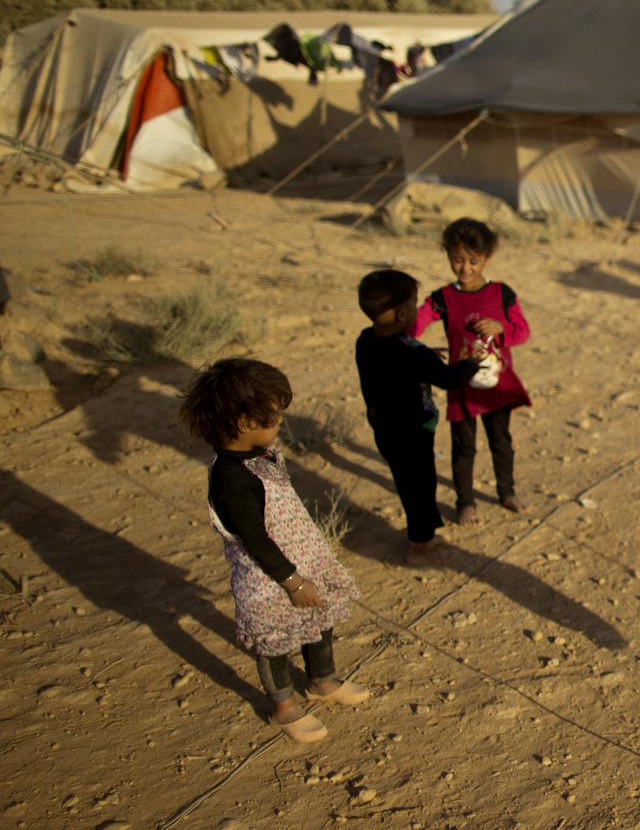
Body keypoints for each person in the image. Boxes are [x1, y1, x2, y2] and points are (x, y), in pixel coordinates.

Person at [178, 358, 367, 743]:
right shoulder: (232, 480)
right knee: (273, 640)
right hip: (270, 577)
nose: (280, 420)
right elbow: (256, 539)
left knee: (318, 622)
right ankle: (284, 708)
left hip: (300, 563)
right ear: (246, 423)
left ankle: (322, 681)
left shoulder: (255, 456)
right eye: (274, 414)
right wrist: (294, 582)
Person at [355, 269, 484, 564]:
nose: (418, 308)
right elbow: (450, 379)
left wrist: (425, 354)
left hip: (386, 430)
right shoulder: (414, 354)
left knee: (408, 483)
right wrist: (472, 363)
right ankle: (419, 548)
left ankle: (424, 534)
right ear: (402, 314)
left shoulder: (367, 340)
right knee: (421, 487)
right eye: (415, 302)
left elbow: (396, 361)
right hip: (413, 432)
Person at [412, 218, 532, 525]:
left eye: (473, 261)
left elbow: (522, 331)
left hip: (497, 384)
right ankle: (465, 502)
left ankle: (507, 492)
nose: (465, 268)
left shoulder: (502, 294)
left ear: (487, 259)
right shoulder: (442, 298)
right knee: (463, 446)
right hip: (461, 383)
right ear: (449, 256)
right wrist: (411, 320)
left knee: (501, 441)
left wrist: (501, 328)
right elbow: (415, 326)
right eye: (457, 260)